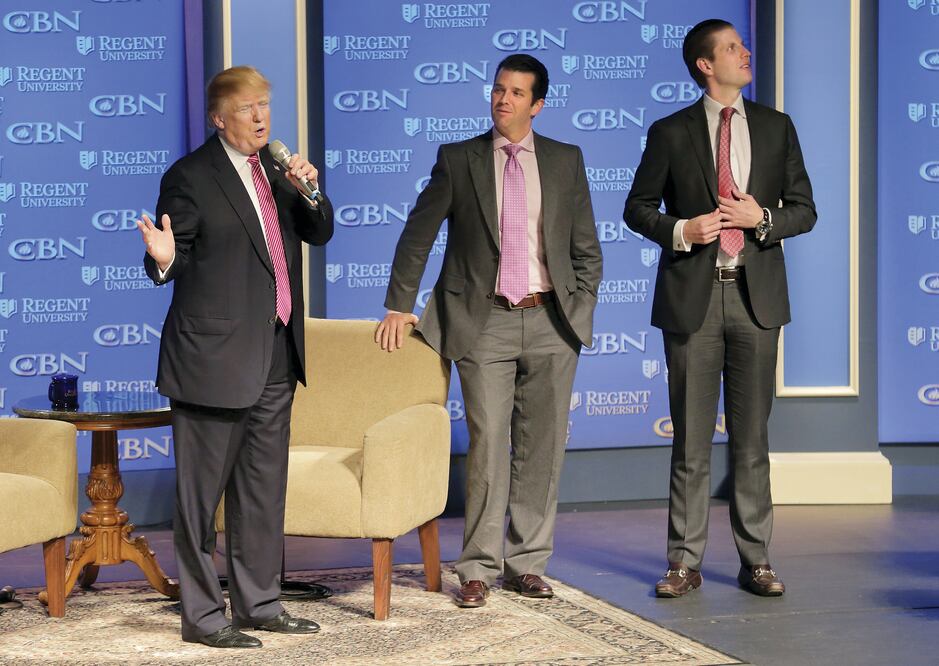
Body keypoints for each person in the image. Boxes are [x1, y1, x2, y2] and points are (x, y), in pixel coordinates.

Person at [376, 54, 602, 608]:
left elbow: (586, 247)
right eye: (499, 89)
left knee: (542, 448)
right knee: (488, 447)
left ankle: (527, 564)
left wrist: (580, 306)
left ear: (537, 104)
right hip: (484, 323)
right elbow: (417, 234)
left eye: (517, 93)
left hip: (552, 321)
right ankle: (477, 567)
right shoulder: (459, 159)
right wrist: (398, 305)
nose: (504, 99)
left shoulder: (566, 160)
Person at [136, 66, 334, 648]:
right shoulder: (190, 177)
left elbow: (319, 233)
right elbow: (172, 255)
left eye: (264, 104)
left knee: (262, 492)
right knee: (200, 502)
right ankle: (202, 618)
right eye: (247, 107)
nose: (260, 116)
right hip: (212, 360)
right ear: (219, 118)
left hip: (276, 352)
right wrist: (163, 258)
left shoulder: (278, 169)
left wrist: (312, 190)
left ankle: (260, 604)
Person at [625, 19, 816, 598]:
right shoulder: (669, 131)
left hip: (757, 300)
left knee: (752, 439)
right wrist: (683, 229)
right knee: (690, 439)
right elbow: (637, 207)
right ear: (705, 65)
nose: (745, 52)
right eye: (733, 47)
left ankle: (756, 560)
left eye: (743, 44)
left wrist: (762, 219)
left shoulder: (777, 127)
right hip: (694, 298)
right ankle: (684, 562)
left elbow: (805, 209)